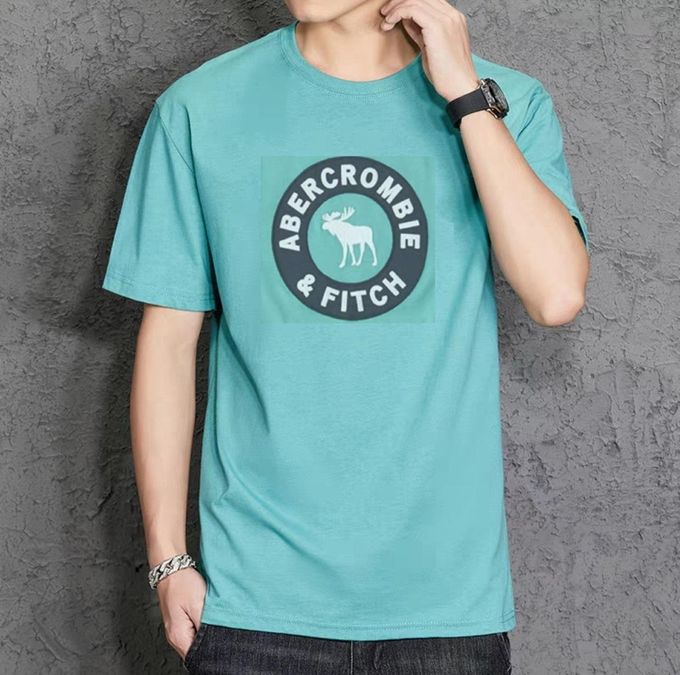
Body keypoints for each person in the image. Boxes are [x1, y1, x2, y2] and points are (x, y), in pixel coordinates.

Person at [102, 0, 591, 672]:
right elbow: (167, 345)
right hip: (256, 603)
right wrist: (168, 559)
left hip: (444, 606)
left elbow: (557, 294)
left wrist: (463, 96)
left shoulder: (507, 101)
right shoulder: (200, 109)